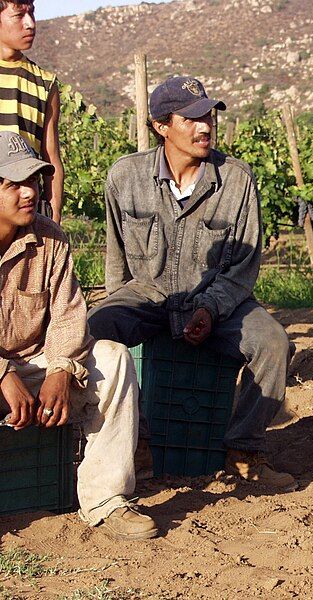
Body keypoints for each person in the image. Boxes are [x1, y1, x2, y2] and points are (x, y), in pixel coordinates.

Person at [87, 77, 295, 492]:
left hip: (218, 302)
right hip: (147, 294)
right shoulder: (125, 177)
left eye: (209, 116)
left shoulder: (236, 179)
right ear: (161, 126)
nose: (205, 126)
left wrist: (211, 307)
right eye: (192, 118)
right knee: (91, 332)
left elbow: (242, 267)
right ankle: (135, 442)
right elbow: (118, 261)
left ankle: (245, 452)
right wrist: (120, 306)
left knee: (274, 343)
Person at [0, 131, 155, 540]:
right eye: (13, 184)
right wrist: (1, 372)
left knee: (113, 359)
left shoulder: (50, 238)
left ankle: (106, 500)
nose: (29, 193)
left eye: (33, 181)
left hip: (34, 361)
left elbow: (68, 315)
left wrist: (60, 369)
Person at [0, 0, 64, 222]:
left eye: (32, 14)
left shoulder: (45, 83)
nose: (30, 24)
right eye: (19, 16)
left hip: (24, 209)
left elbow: (51, 155)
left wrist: (54, 214)